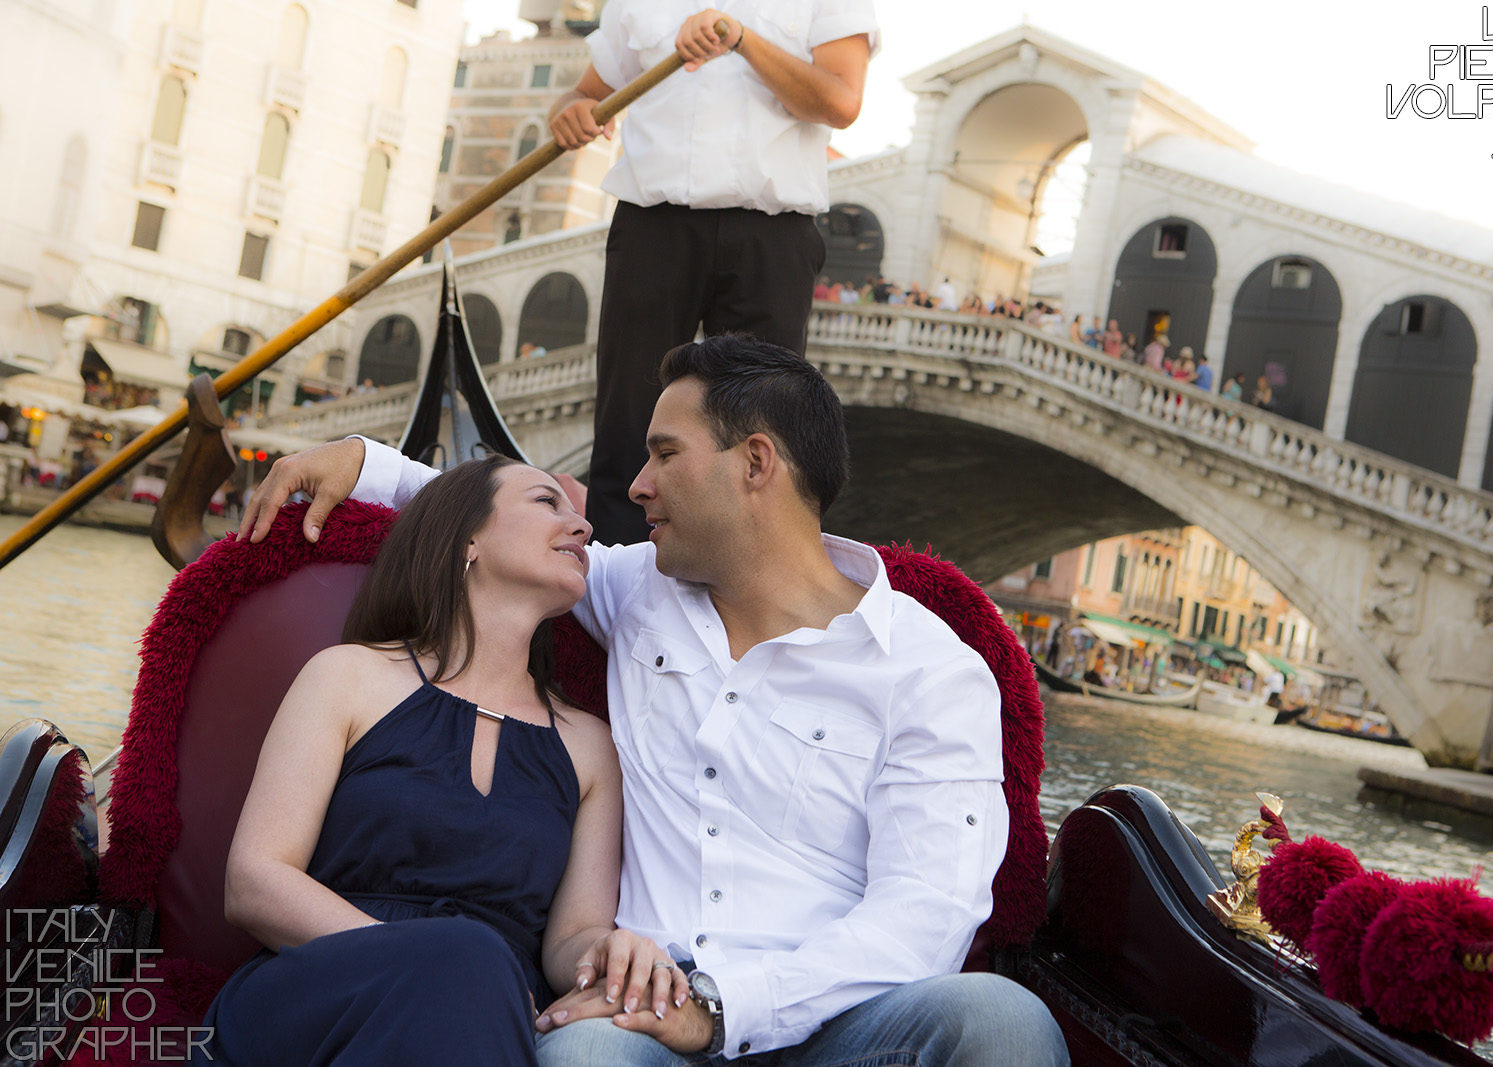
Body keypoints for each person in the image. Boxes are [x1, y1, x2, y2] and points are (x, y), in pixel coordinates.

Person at [239, 336, 1068, 1066]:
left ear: (755, 463)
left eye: (664, 454)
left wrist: (716, 1006)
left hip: (840, 1027)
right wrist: (362, 460)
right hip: (634, 1022)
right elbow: (491, 531)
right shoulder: (638, 589)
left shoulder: (932, 669)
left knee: (999, 1019)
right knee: (588, 1055)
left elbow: (927, 913)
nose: (633, 487)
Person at [201, 456, 686, 1065]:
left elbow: (571, 936)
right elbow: (255, 881)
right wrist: (429, 961)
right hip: (323, 992)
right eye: (546, 503)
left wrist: (614, 953)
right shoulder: (347, 677)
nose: (583, 528)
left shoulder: (591, 746)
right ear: (469, 539)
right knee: (465, 958)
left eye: (577, 515)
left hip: (489, 1020)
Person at [548, 3, 876, 547]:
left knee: (762, 431)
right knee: (628, 423)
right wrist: (571, 110)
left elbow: (840, 103)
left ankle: (750, 591)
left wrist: (742, 39)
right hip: (652, 228)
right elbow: (584, 93)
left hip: (772, 235)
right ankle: (614, 597)